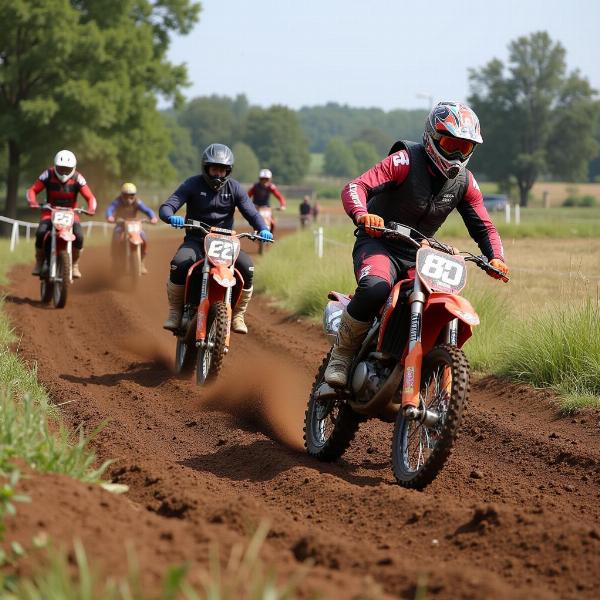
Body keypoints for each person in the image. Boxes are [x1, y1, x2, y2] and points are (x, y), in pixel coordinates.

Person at [324, 101, 510, 387]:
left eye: (466, 148)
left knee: (435, 299)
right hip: (380, 243)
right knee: (376, 287)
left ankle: (416, 366)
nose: (458, 155)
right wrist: (363, 215)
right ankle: (342, 356)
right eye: (451, 144)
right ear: (432, 138)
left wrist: (495, 257)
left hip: (419, 254)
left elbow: (484, 226)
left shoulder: (465, 182)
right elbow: (356, 186)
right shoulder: (405, 160)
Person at [159, 143, 273, 334]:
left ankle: (237, 315)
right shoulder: (192, 184)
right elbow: (167, 206)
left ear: (228, 171)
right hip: (196, 240)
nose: (218, 174)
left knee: (247, 267)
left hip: (226, 243)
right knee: (179, 264)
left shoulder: (234, 188)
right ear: (206, 168)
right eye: (214, 169)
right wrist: (171, 216)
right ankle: (174, 312)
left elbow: (252, 213)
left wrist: (263, 228)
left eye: (222, 170)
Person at [27, 150, 97, 278]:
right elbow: (32, 190)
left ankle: (75, 264)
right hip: (50, 211)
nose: (64, 172)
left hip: (71, 213)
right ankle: (39, 261)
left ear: (73, 168)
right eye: (61, 168)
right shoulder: (48, 174)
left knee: (79, 236)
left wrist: (91, 208)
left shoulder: (78, 178)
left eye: (67, 169)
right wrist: (33, 201)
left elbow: (90, 197)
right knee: (41, 232)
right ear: (55, 166)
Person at [106, 182, 158, 274]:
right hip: (121, 225)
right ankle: (115, 262)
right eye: (126, 195)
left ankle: (141, 263)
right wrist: (109, 216)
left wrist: (153, 217)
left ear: (134, 195)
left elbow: (147, 210)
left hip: (135, 226)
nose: (129, 198)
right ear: (122, 195)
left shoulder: (137, 202)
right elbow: (110, 208)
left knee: (144, 238)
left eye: (131, 195)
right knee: (116, 239)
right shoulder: (117, 201)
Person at [248, 169, 286, 233]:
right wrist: (242, 204)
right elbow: (247, 196)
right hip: (256, 207)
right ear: (260, 179)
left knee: (273, 223)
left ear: (269, 180)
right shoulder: (255, 186)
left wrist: (283, 205)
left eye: (267, 179)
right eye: (263, 179)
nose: (265, 181)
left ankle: (271, 236)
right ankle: (255, 233)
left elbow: (279, 196)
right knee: (254, 221)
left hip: (266, 208)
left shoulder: (271, 187)